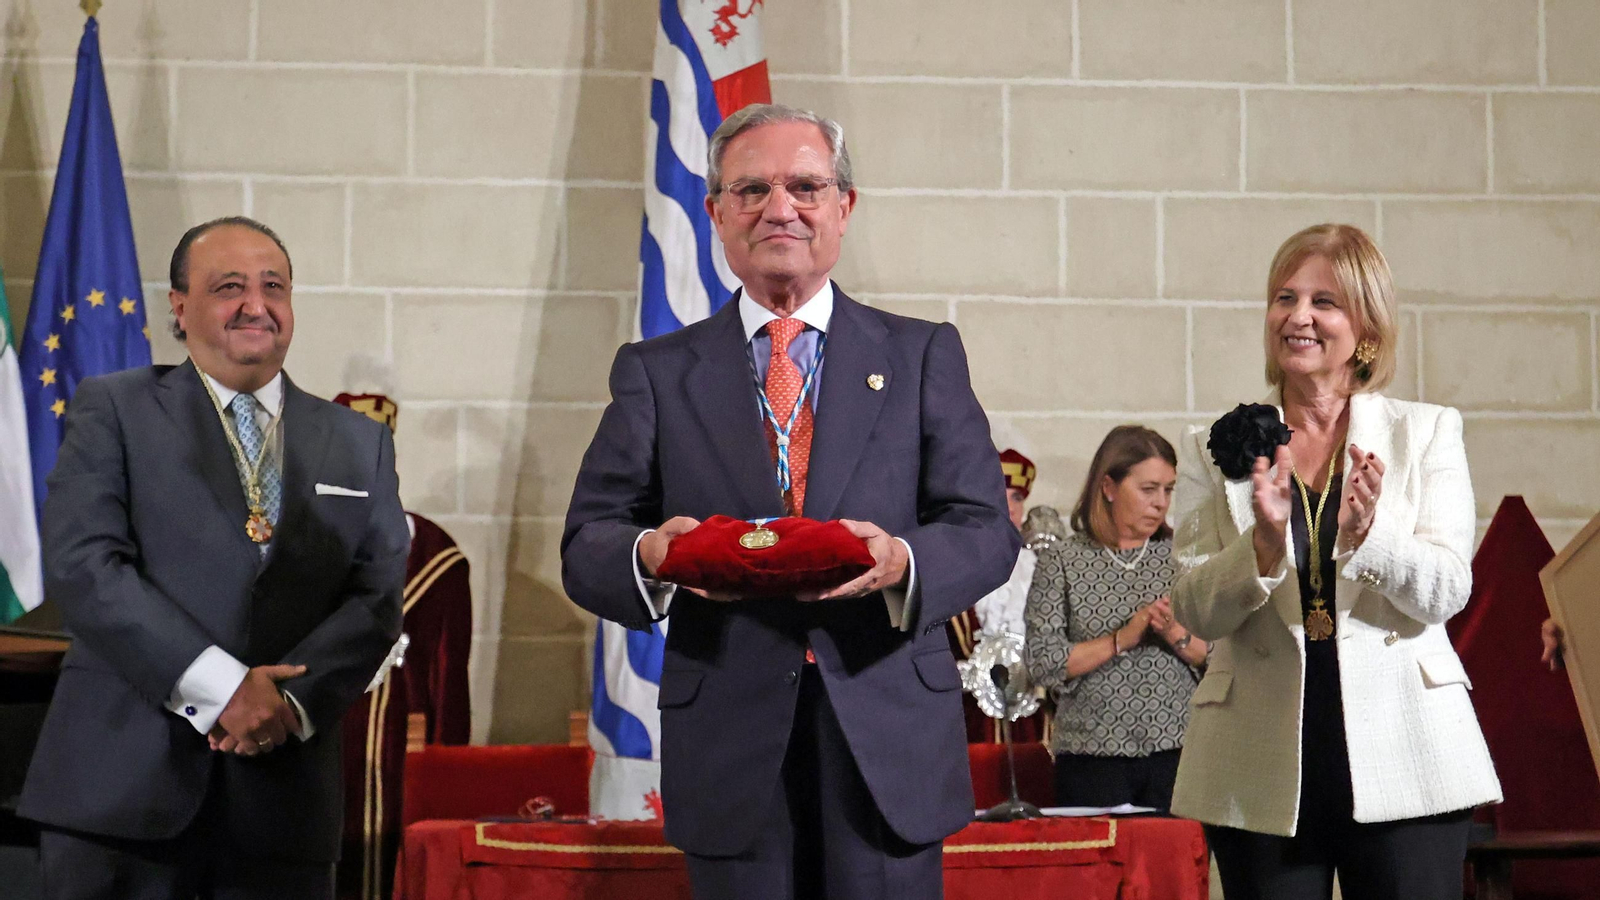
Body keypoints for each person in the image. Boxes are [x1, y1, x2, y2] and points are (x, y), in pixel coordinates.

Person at [561, 103, 1018, 899]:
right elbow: (587, 541)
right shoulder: (658, 371)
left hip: (888, 737)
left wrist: (900, 561)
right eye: (752, 189)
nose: (780, 208)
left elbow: (984, 529)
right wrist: (653, 555)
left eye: (806, 186)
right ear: (715, 213)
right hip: (730, 738)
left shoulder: (920, 355)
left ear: (844, 207)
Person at [19, 217, 410, 899]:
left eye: (273, 287)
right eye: (229, 286)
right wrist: (223, 688)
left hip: (282, 811)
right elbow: (86, 566)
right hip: (118, 800)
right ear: (178, 306)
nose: (255, 305)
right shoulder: (114, 410)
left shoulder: (358, 442)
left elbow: (376, 598)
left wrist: (284, 702)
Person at [1169, 223, 1501, 900]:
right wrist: (1260, 546)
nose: (1298, 317)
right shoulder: (1216, 446)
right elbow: (1192, 607)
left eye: (1324, 302)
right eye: (1284, 298)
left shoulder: (1426, 430)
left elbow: (1447, 590)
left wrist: (1370, 535)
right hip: (1259, 757)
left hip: (1406, 746)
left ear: (1366, 328)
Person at [331, 392, 473, 900]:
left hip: (397, 756)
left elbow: (448, 679)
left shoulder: (436, 555)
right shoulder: (290, 540)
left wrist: (446, 773)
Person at [1023, 425, 1205, 812]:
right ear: (1108, 487)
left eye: (1168, 490)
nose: (1161, 503)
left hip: (1178, 753)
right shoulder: (1062, 562)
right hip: (1092, 759)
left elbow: (1221, 656)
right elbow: (1043, 662)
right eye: (1148, 489)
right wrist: (1122, 638)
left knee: (1174, 870)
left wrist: (1175, 633)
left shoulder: (1183, 558)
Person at [947, 446, 1048, 744]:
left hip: (1033, 716)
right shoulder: (953, 565)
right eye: (1001, 494)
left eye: (1017, 497)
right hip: (965, 716)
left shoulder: (1040, 568)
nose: (1012, 507)